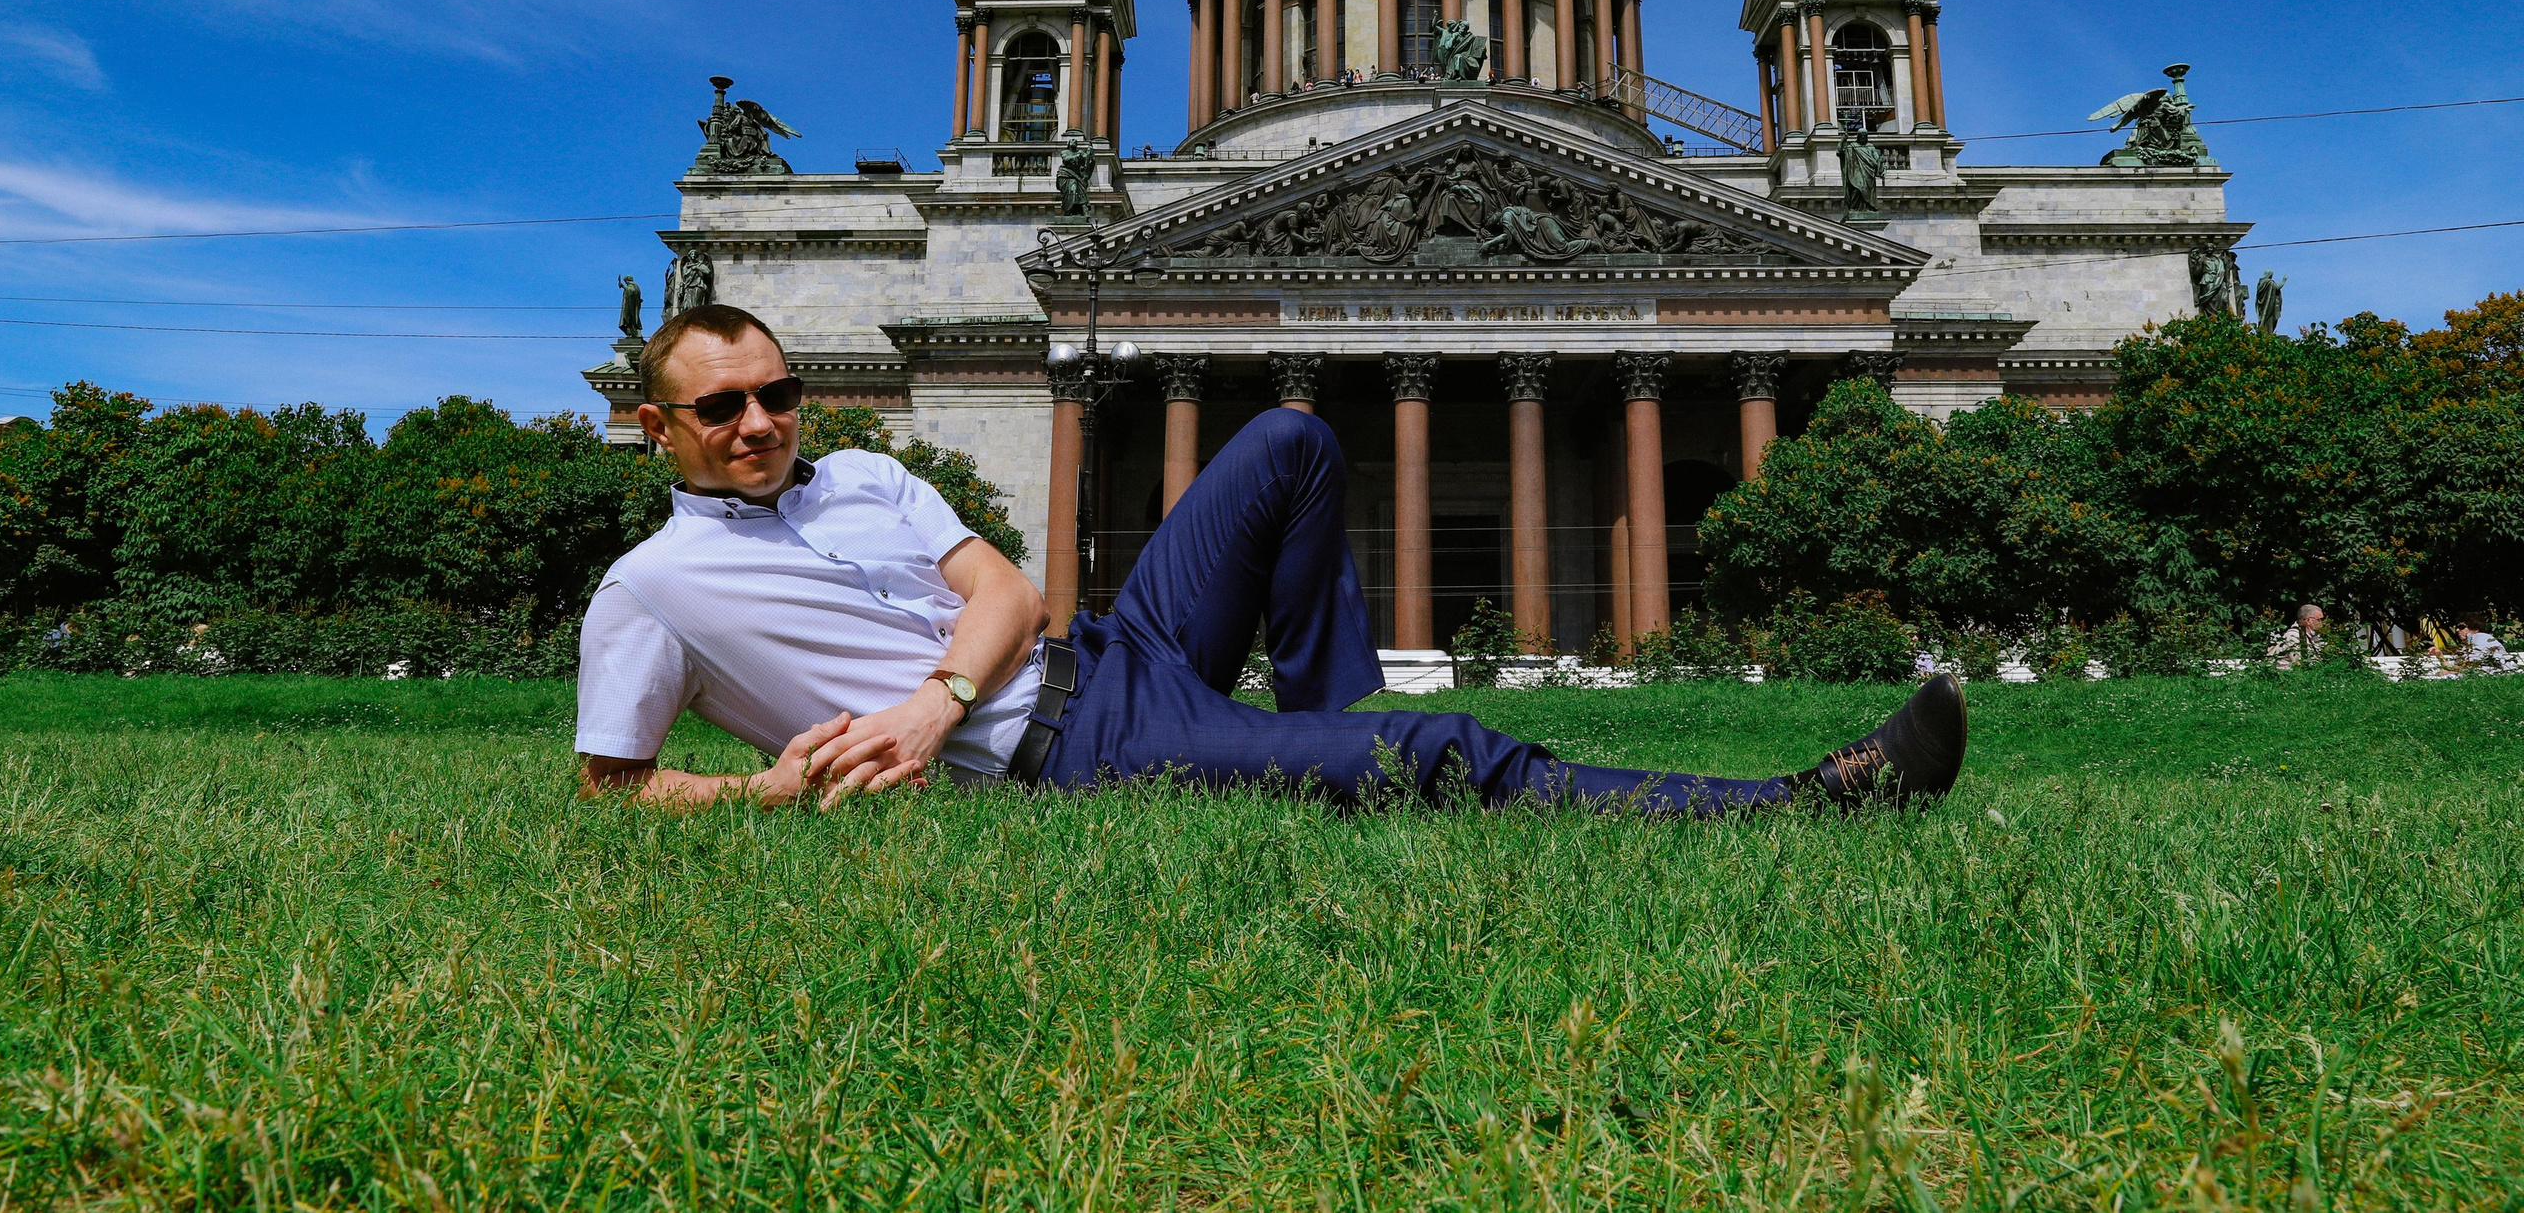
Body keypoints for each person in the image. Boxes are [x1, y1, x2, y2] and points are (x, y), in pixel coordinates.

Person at [576, 304, 1968, 815]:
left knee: (1292, 437)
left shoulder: (867, 472)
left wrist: (938, 692)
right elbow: (612, 787)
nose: (761, 424)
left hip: (1108, 654)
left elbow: (1008, 590)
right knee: (1449, 755)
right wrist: (757, 792)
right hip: (1064, 754)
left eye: (776, 396)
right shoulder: (651, 590)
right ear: (657, 428)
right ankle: (1801, 801)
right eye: (722, 409)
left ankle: (1316, 731)